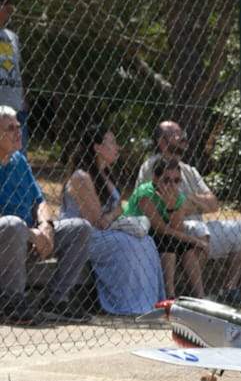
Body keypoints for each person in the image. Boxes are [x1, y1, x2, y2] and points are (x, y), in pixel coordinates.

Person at [0, 105, 91, 324]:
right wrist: (30, 232)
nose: (17, 132)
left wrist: (46, 225)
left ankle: (56, 299)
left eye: (18, 127)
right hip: (7, 240)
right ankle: (12, 304)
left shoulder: (19, 161)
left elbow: (39, 200)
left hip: (32, 238)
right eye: (10, 128)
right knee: (13, 224)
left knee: (81, 228)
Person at [63, 125, 165, 314]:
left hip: (106, 231)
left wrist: (117, 213)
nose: (118, 147)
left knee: (146, 241)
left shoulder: (106, 174)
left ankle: (149, 303)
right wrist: (117, 211)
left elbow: (113, 215)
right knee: (127, 243)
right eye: (112, 142)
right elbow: (98, 222)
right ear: (97, 147)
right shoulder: (81, 177)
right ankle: (128, 304)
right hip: (85, 236)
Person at [137, 122, 241, 295]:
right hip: (172, 225)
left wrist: (189, 200)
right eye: (175, 133)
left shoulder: (189, 170)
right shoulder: (151, 167)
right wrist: (195, 204)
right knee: (198, 231)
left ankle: (229, 290)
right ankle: (194, 294)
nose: (183, 136)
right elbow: (158, 204)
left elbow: (214, 204)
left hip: (198, 223)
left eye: (181, 131)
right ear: (162, 142)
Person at [124, 157, 209, 298]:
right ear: (155, 179)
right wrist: (196, 241)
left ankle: (200, 296)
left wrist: (171, 206)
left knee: (186, 248)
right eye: (166, 180)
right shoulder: (145, 194)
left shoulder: (178, 196)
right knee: (169, 246)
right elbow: (162, 228)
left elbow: (177, 229)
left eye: (176, 180)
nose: (172, 185)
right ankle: (169, 296)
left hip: (163, 234)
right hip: (139, 232)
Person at [0, 0, 27, 149]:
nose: (10, 7)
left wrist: (24, 100)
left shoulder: (12, 37)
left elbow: (17, 70)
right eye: (4, 2)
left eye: (10, 2)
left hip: (16, 111)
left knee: (16, 160)